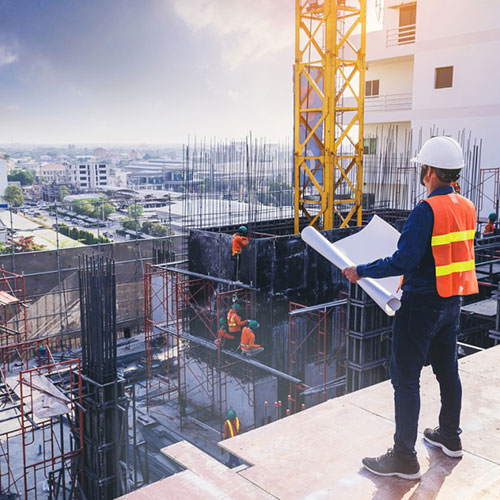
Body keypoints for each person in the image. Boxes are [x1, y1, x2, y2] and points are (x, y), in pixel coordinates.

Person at [343, 136, 478, 480]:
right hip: (452, 302)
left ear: (429, 171)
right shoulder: (467, 206)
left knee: (405, 379)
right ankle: (450, 436)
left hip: (420, 306)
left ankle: (404, 457)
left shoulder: (425, 210)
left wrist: (361, 270)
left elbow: (404, 259)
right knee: (447, 370)